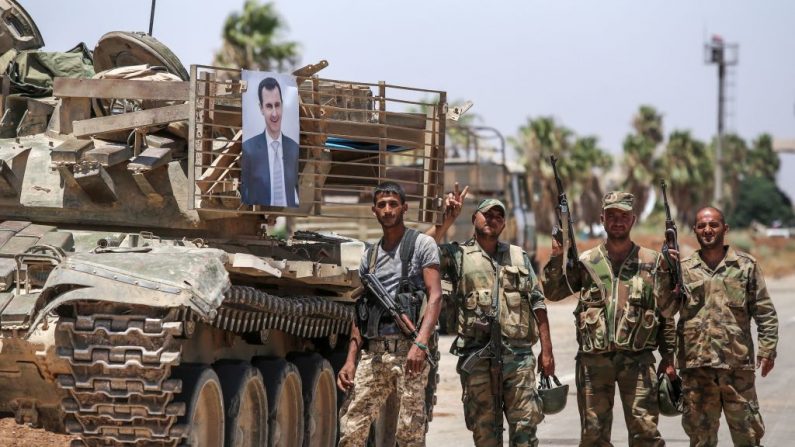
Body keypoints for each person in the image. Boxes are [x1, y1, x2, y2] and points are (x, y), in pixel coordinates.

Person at [542, 191, 675, 447]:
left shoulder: (651, 262)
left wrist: (669, 358)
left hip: (638, 362)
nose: (617, 221)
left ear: (633, 220)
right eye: (612, 216)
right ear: (602, 219)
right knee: (593, 436)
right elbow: (553, 292)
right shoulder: (587, 262)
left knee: (645, 433)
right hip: (594, 364)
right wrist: (557, 256)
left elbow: (666, 314)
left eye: (623, 216)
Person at [426, 184, 554, 447]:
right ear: (475, 219)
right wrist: (448, 218)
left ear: (504, 224)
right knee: (485, 435)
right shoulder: (458, 255)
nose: (492, 220)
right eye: (487, 214)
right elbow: (423, 250)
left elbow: (538, 303)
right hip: (477, 357)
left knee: (525, 432)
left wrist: (547, 350)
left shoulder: (518, 257)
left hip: (517, 359)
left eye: (498, 216)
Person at [656, 206, 778, 447]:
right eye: (701, 226)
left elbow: (764, 311)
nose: (708, 230)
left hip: (737, 370)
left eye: (713, 225)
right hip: (696, 370)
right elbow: (667, 311)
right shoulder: (684, 268)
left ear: (725, 228)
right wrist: (665, 270)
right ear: (694, 230)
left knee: (748, 437)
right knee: (701, 440)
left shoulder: (745, 266)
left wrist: (767, 349)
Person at [336, 181, 442, 447]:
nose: (387, 209)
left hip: (410, 351)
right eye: (381, 205)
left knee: (409, 433)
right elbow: (361, 313)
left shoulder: (422, 245)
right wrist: (351, 359)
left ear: (404, 208)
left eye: (393, 204)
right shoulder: (368, 257)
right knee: (351, 426)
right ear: (374, 210)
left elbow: (435, 296)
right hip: (374, 354)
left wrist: (421, 343)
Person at [240, 76, 300, 207]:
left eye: (277, 105)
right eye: (268, 106)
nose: (274, 113)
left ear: (282, 105)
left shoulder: (294, 148)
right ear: (261, 108)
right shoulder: (249, 149)